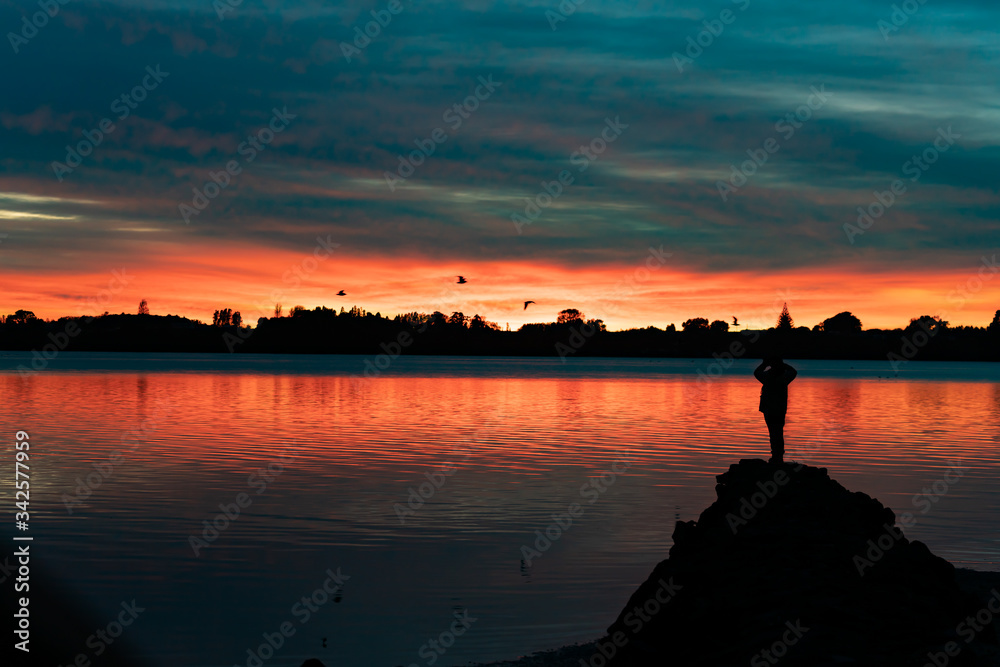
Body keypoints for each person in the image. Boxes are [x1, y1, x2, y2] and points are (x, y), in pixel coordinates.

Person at [753, 357, 797, 463]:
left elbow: (757, 372)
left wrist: (765, 364)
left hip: (770, 409)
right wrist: (782, 365)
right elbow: (793, 371)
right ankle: (777, 456)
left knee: (774, 433)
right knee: (777, 432)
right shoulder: (784, 378)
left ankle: (777, 456)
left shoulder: (767, 377)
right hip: (779, 409)